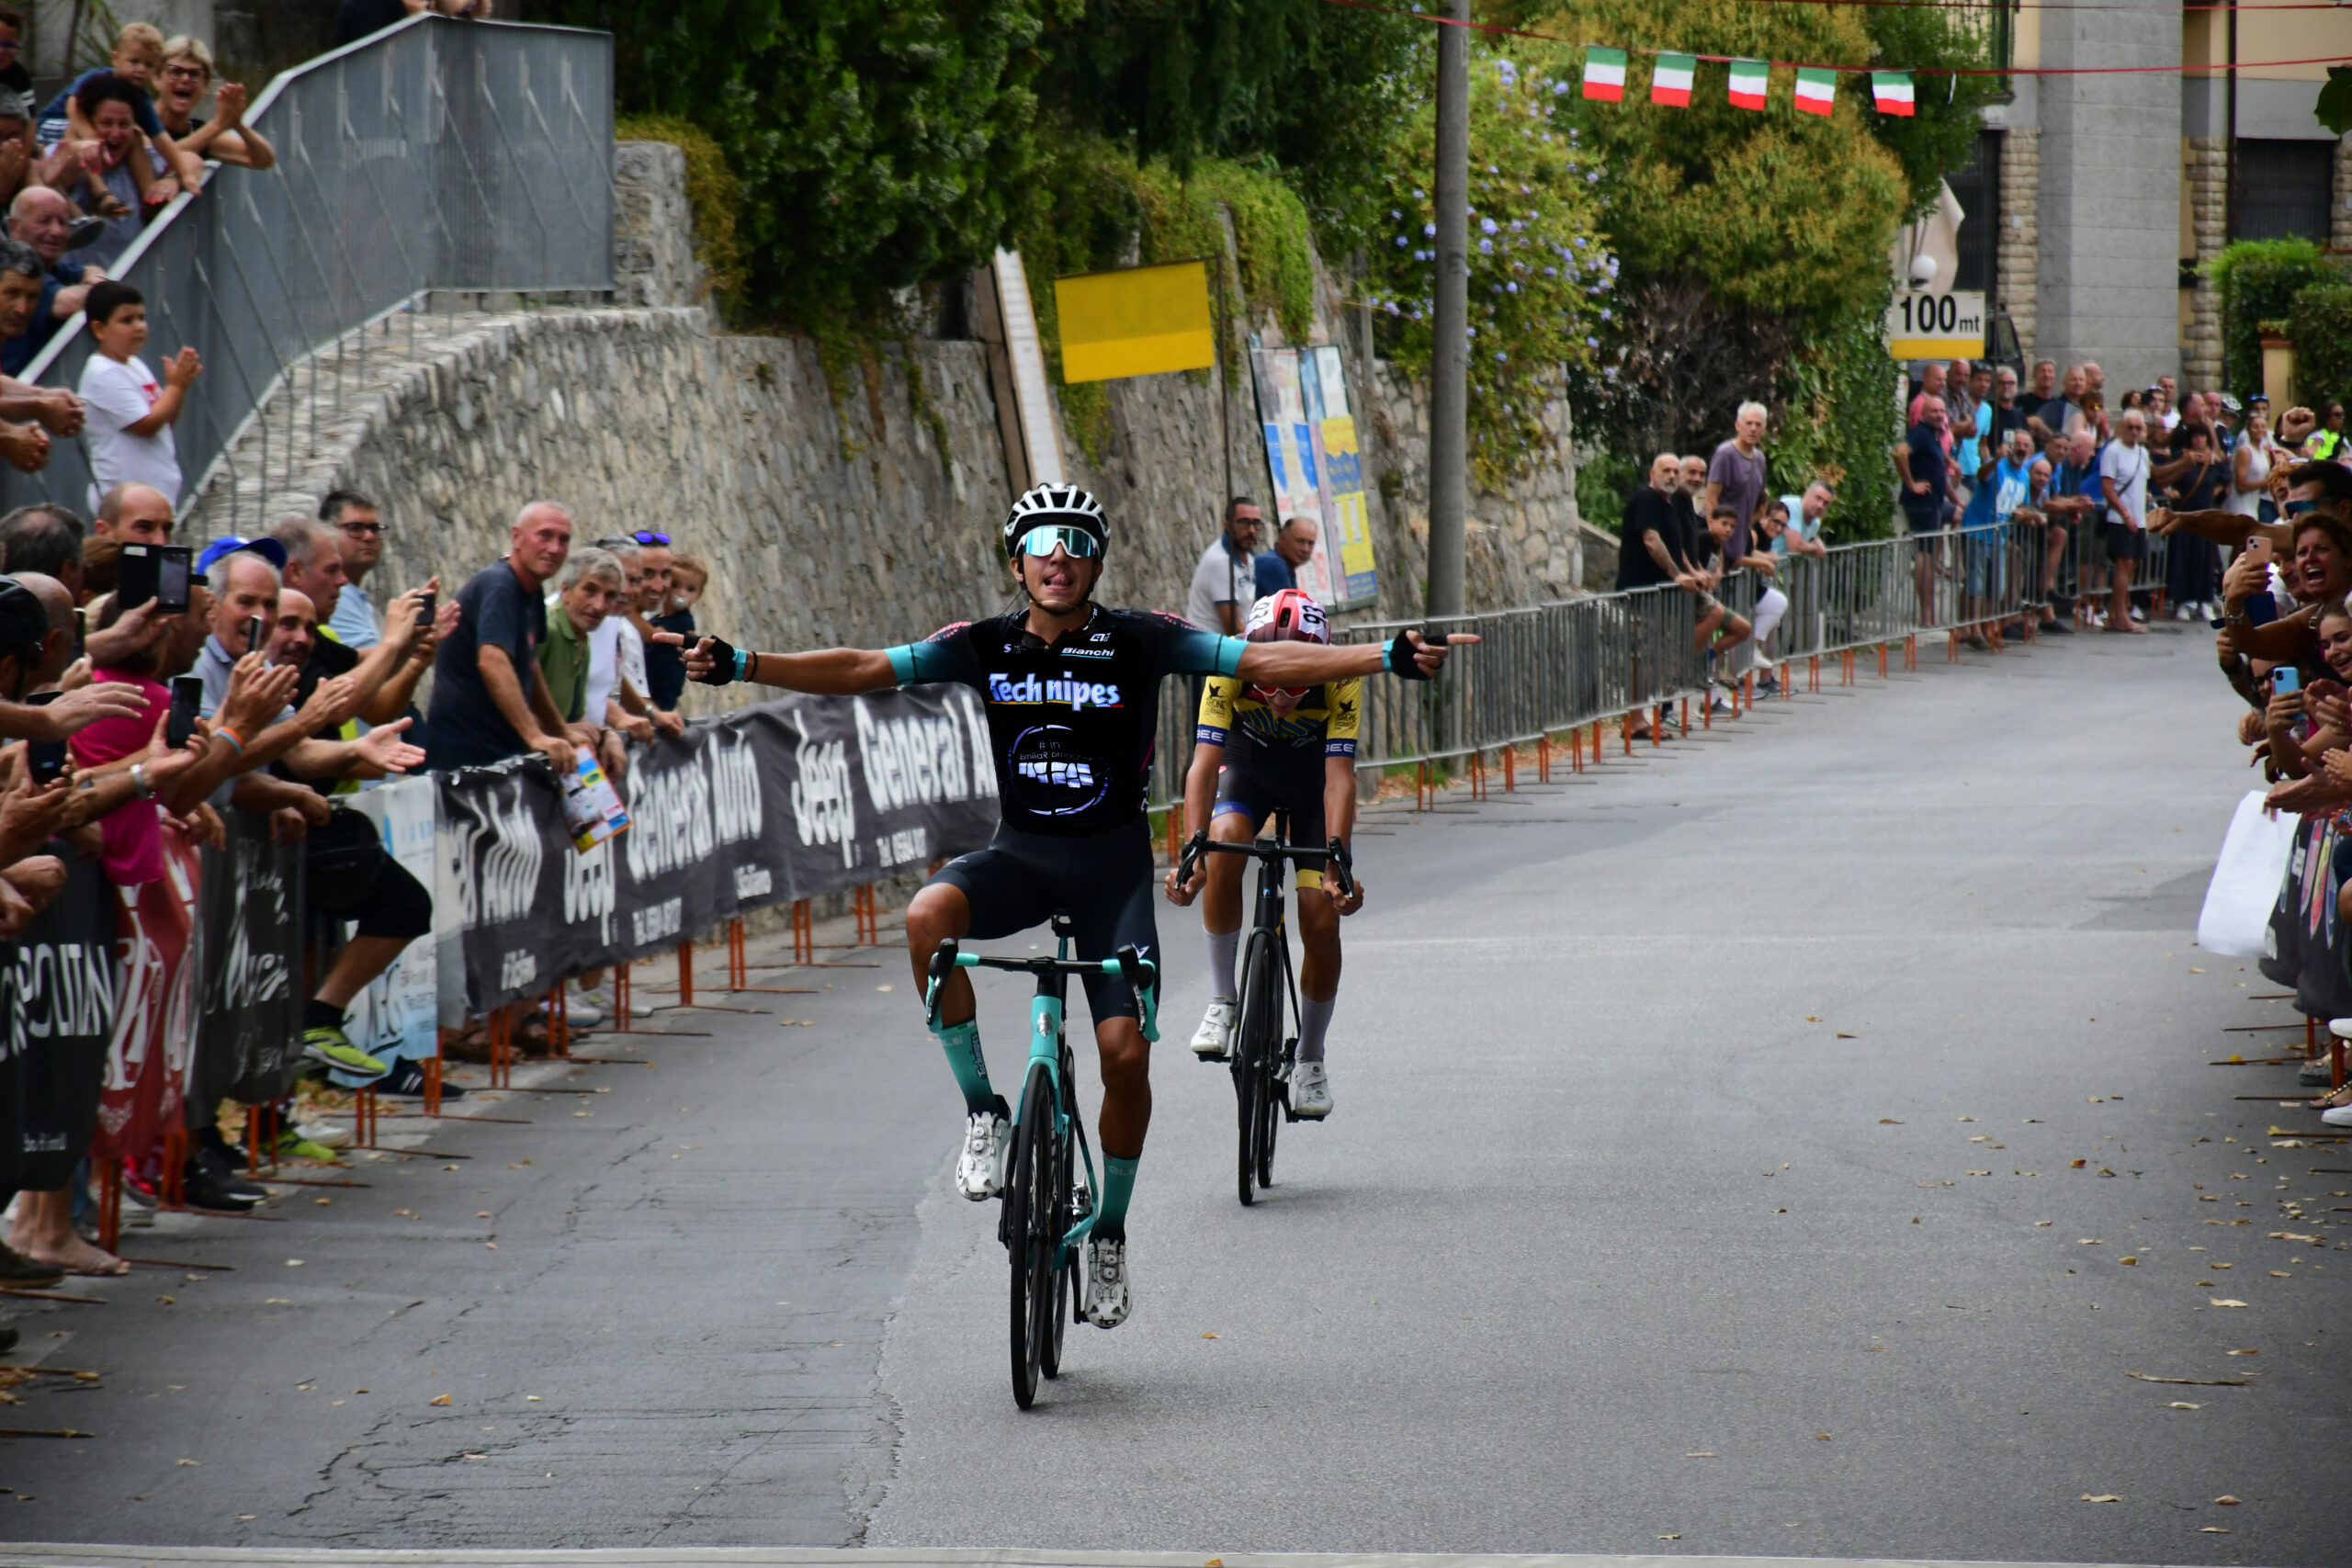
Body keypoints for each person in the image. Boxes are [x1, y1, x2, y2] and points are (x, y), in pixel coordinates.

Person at [669, 484, 1469, 1330]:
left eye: (1077, 542)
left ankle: (1112, 1233)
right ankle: (985, 1110)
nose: (1059, 556)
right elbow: (867, 667)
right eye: (1042, 543)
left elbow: (1262, 663)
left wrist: (1383, 656)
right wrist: (744, 662)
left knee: (1125, 1058)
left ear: (1095, 561)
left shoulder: (1141, 638)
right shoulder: (982, 644)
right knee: (924, 919)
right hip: (1020, 856)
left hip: (1111, 876)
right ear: (1017, 561)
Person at [1170, 589, 1361, 1117]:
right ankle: (1223, 999)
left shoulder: (1342, 674)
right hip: (1247, 767)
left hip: (1312, 784)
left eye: (1295, 685)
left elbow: (1339, 778)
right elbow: (1203, 766)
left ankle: (1311, 1058)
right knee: (1225, 838)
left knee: (1320, 917)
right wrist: (1193, 851)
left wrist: (1337, 860)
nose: (1278, 696)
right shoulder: (1229, 662)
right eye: (1267, 683)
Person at [425, 502, 575, 772]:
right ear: (516, 537)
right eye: (545, 535)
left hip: (499, 750)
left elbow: (530, 663)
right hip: (466, 755)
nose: (554, 549)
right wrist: (535, 735)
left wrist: (559, 730)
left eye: (564, 540)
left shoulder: (532, 590)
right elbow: (492, 660)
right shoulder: (500, 585)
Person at [77, 279, 198, 509]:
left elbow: (165, 421)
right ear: (99, 329)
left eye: (141, 318)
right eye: (127, 320)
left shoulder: (134, 365)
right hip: (125, 504)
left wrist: (179, 388)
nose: (139, 326)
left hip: (153, 498)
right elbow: (146, 425)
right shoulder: (103, 373)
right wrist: (175, 387)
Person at [51, 74, 169, 275]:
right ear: (88, 124)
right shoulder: (68, 160)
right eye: (106, 123)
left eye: (124, 125)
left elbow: (192, 161)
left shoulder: (141, 160)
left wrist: (172, 180)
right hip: (84, 289)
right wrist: (83, 148)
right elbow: (55, 171)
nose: (115, 133)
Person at [539, 547, 630, 780]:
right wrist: (560, 730)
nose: (599, 605)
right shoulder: (545, 630)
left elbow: (574, 719)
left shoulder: (582, 637)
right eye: (590, 590)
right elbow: (511, 706)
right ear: (565, 590)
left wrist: (606, 734)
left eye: (610, 596)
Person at [3, 186, 101, 375]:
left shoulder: (53, 268)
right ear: (15, 227)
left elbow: (91, 270)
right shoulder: (10, 268)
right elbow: (68, 303)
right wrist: (98, 289)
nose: (56, 231)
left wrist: (95, 278)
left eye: (63, 222)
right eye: (44, 221)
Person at [152, 37, 274, 175]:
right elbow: (158, 162)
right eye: (176, 72)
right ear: (156, 78)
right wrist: (219, 124)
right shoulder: (140, 121)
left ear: (205, 86)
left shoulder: (201, 130)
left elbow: (264, 160)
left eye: (194, 74)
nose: (185, 79)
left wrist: (236, 123)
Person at [1895, 394, 1951, 625]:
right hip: (1922, 505)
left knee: (1955, 514)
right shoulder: (1920, 433)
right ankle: (1926, 614)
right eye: (1934, 411)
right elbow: (1899, 452)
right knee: (1924, 559)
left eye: (1941, 411)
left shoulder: (1934, 436)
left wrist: (1955, 499)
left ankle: (1929, 612)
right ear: (1923, 414)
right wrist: (1911, 484)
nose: (1938, 415)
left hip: (1935, 504)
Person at [2098, 409, 2154, 633]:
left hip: (2138, 518)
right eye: (2129, 427)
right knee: (2123, 565)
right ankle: (2120, 617)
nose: (2134, 432)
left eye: (2138, 428)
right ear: (2122, 427)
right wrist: (2125, 514)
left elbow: (2142, 483)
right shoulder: (2113, 451)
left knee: (2132, 567)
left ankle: (2115, 614)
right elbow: (2107, 487)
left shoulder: (2142, 453)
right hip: (2120, 519)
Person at [1703, 400, 1770, 569]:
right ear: (1738, 425)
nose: (1753, 428)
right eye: (1749, 423)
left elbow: (1759, 501)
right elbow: (1711, 499)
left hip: (1739, 540)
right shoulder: (1726, 454)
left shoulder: (1760, 459)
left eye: (1758, 424)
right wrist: (1716, 539)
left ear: (1763, 429)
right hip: (1719, 540)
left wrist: (1746, 528)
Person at [1185, 496, 1261, 634]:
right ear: (1227, 526)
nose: (1251, 530)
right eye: (1244, 523)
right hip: (1208, 648)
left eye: (1256, 523)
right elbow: (1234, 628)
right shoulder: (1221, 562)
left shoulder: (1249, 557)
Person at [322, 490, 387, 648]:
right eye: (355, 528)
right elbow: (373, 667)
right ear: (327, 533)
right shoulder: (334, 596)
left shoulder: (357, 599)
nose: (369, 536)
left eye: (374, 528)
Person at [1250, 515, 1318, 599]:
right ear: (1282, 540)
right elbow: (1290, 610)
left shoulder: (1288, 568)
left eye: (1311, 544)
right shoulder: (1274, 564)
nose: (1306, 549)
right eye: (1300, 541)